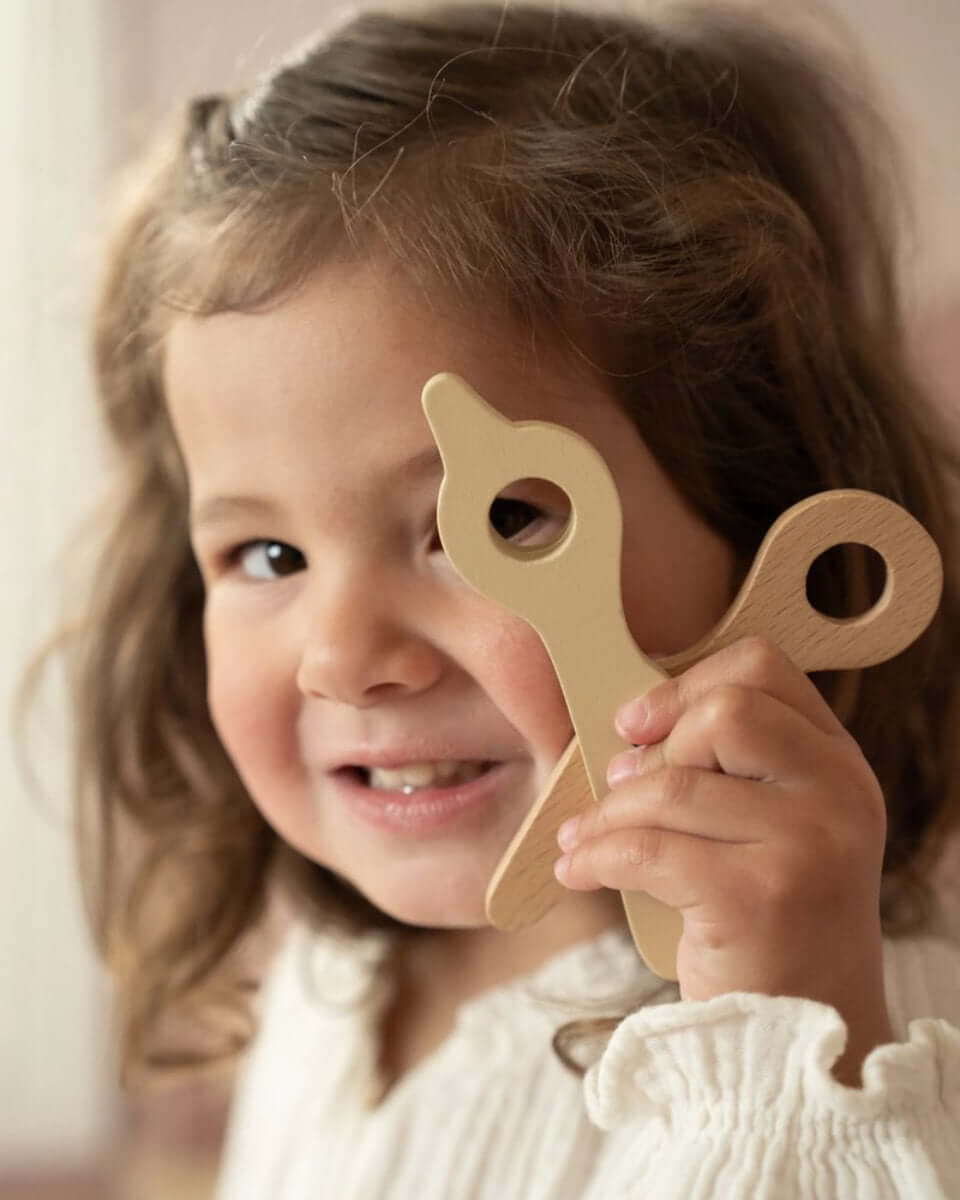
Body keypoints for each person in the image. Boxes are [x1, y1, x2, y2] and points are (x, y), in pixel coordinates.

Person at [47, 2, 960, 1195]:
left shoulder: (845, 1025)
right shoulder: (331, 975)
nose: (344, 657)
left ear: (761, 504)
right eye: (268, 555)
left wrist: (784, 1027)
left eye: (495, 525)